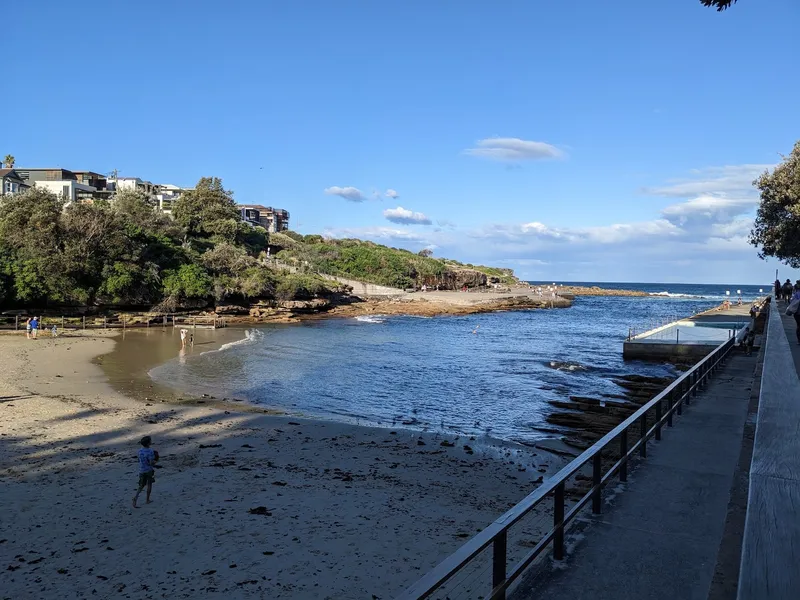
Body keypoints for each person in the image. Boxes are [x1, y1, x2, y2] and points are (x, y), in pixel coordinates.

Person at [133, 436, 158, 508]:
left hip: (141, 470)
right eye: (150, 441)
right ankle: (147, 499)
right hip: (148, 470)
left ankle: (136, 497)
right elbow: (151, 462)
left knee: (141, 485)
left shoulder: (140, 450)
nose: (151, 442)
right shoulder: (150, 451)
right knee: (149, 484)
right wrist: (155, 462)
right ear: (148, 443)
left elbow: (140, 460)